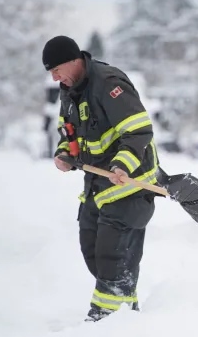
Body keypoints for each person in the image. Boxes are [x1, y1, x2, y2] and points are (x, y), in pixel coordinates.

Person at [44, 35, 159, 322]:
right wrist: (64, 154)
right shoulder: (67, 90)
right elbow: (67, 131)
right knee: (91, 249)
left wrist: (122, 165)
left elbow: (139, 131)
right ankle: (126, 314)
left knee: (111, 256)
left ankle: (106, 318)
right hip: (97, 186)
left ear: (74, 61)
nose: (54, 76)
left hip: (130, 185)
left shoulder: (109, 84)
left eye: (56, 69)